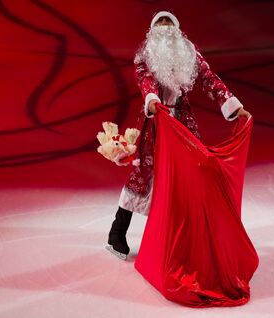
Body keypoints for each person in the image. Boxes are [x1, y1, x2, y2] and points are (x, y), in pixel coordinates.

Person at [106, 10, 251, 260]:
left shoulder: (189, 53)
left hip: (182, 122)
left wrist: (234, 106)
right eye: (159, 22)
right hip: (155, 122)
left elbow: (209, 79)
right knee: (143, 177)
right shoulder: (145, 55)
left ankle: (184, 236)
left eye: (168, 22)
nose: (164, 26)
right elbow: (145, 80)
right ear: (153, 30)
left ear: (177, 28)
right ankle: (116, 234)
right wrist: (151, 101)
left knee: (192, 172)